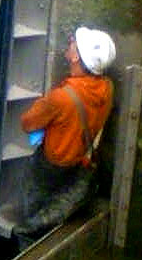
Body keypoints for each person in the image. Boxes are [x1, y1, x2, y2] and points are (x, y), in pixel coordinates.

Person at [15, 26, 116, 240]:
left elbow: (27, 123)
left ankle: (29, 233)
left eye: (72, 42)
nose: (69, 42)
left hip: (51, 163)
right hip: (80, 161)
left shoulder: (61, 98)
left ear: (77, 56)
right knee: (62, 197)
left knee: (35, 200)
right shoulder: (107, 87)